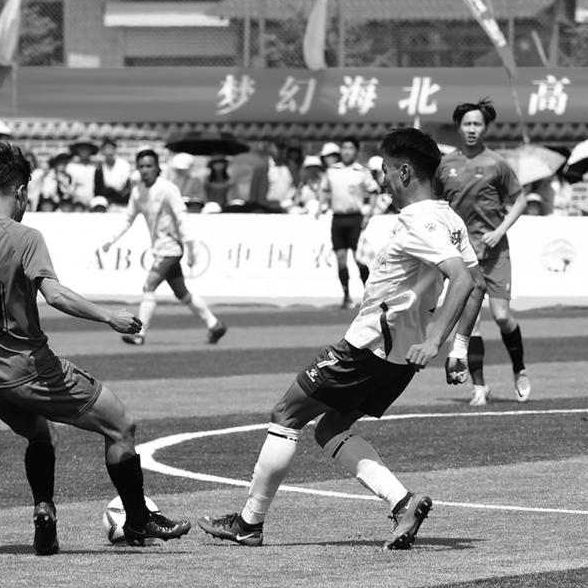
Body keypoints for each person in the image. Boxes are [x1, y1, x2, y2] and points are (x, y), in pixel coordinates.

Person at [199, 127, 485, 550]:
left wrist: (437, 339)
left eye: (386, 170)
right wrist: (458, 347)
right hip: (399, 359)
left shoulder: (418, 220)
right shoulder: (450, 218)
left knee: (286, 414)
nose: (382, 179)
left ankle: (249, 522)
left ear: (405, 172)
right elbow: (477, 283)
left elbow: (461, 280)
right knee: (331, 427)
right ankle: (403, 502)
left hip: (369, 347)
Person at [0, 142, 191, 554]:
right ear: (20, 192)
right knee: (121, 424)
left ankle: (44, 508)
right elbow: (56, 295)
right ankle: (139, 521)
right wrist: (110, 317)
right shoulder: (25, 237)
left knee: (41, 434)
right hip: (31, 370)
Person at [435, 98, 531, 406]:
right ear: (458, 127)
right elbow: (435, 205)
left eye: (477, 124)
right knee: (471, 321)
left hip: (495, 253)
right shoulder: (445, 165)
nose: (472, 129)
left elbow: (520, 201)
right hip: (463, 258)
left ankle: (519, 369)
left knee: (502, 317)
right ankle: (479, 386)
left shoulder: (497, 164)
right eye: (467, 124)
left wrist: (499, 230)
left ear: (485, 128)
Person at [102, 149, 226, 346]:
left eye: (149, 166)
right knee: (182, 293)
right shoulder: (137, 191)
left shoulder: (168, 189)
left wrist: (191, 248)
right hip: (159, 248)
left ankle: (139, 333)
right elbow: (128, 219)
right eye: (141, 166)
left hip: (172, 248)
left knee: (148, 286)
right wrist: (111, 239)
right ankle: (215, 324)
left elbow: (182, 218)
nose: (145, 170)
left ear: (157, 167)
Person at [321, 136, 380, 309]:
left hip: (355, 219)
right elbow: (324, 190)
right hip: (338, 218)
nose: (347, 152)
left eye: (350, 148)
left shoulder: (362, 171)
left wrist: (370, 213)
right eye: (344, 148)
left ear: (356, 151)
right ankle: (346, 296)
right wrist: (321, 205)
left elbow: (374, 191)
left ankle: (369, 296)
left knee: (359, 259)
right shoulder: (332, 170)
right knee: (340, 259)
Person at [65, 136, 100, 208]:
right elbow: (68, 188)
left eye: (86, 149)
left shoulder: (95, 168)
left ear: (90, 150)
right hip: (76, 205)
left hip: (93, 205)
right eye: (82, 149)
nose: (84, 151)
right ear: (77, 150)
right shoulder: (71, 167)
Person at [95, 138, 131, 208]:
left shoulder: (124, 165)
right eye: (107, 149)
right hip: (107, 201)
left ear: (115, 150)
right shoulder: (99, 168)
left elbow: (127, 185)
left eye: (112, 148)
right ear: (102, 151)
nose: (109, 152)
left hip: (122, 199)